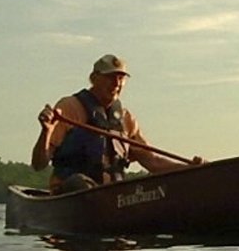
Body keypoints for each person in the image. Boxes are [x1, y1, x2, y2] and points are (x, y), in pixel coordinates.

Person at [32, 54, 202, 192]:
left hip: (113, 195)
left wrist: (189, 168)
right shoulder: (69, 107)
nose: (116, 83)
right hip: (72, 193)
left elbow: (152, 161)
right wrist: (46, 132)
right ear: (94, 78)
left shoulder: (126, 118)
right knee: (79, 182)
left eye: (121, 78)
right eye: (110, 77)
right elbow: (39, 164)